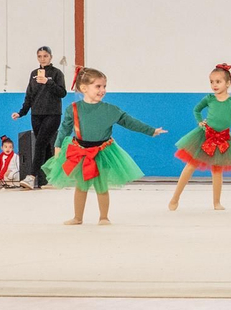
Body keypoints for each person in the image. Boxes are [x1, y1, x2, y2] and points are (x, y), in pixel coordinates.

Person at [45, 67, 165, 226]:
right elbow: (64, 128)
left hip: (102, 152)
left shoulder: (110, 110)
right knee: (81, 186)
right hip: (80, 151)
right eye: (98, 86)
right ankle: (77, 217)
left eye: (104, 86)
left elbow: (129, 122)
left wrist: (150, 131)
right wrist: (58, 146)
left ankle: (104, 217)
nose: (103, 90)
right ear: (84, 88)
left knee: (101, 185)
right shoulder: (73, 108)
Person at [169, 64, 231, 212]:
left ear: (228, 83)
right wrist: (199, 121)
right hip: (205, 136)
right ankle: (175, 198)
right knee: (190, 166)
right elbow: (197, 109)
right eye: (211, 82)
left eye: (218, 81)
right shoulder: (209, 98)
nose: (214, 85)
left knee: (217, 171)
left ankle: (216, 202)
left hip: (222, 138)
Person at [13, 46, 67, 188]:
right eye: (40, 56)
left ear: (50, 57)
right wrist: (21, 112)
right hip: (36, 114)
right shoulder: (33, 74)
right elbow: (29, 95)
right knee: (46, 147)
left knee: (39, 144)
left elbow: (62, 92)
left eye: (45, 56)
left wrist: (48, 82)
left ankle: (31, 177)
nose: (42, 58)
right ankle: (50, 179)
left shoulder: (57, 73)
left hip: (53, 114)